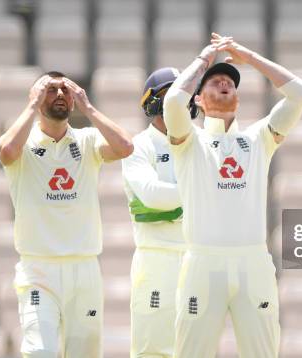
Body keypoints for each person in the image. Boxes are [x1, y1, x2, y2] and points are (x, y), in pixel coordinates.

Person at [162, 33, 302, 358]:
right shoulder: (189, 141)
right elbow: (173, 102)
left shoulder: (259, 139)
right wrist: (204, 60)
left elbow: (300, 92)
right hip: (202, 262)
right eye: (213, 82)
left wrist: (249, 57)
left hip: (253, 262)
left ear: (239, 98)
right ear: (198, 100)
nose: (223, 84)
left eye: (229, 81)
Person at [0, 71, 134, 358]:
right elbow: (7, 151)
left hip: (83, 270)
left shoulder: (87, 141)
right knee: (40, 352)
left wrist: (89, 107)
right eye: (50, 89)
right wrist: (32, 105)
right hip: (38, 270)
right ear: (35, 96)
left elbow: (125, 147)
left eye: (65, 90)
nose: (59, 94)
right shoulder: (23, 144)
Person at [121, 67, 185, 357]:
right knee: (153, 349)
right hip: (156, 257)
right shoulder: (139, 147)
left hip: (197, 258)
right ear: (155, 101)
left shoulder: (199, 143)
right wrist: (200, 194)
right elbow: (152, 196)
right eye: (173, 92)